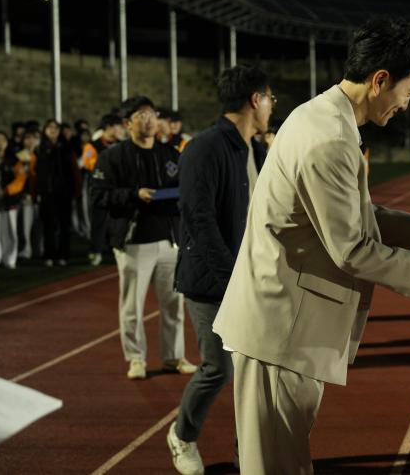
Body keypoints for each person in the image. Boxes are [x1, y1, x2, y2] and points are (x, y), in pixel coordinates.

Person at [212, 18, 410, 474]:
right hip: (281, 328)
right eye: (409, 91)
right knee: (277, 466)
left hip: (283, 323)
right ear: (380, 80)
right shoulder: (331, 139)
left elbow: (343, 213)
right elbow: (351, 248)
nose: (407, 103)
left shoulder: (319, 116)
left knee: (282, 460)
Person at [166, 65, 273, 474]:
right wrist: (233, 280)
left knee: (254, 375)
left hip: (252, 281)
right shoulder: (205, 148)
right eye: (270, 99)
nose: (272, 107)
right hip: (213, 282)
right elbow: (199, 219)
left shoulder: (257, 151)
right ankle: (182, 435)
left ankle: (248, 455)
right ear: (255, 100)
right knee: (218, 368)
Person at [91, 96, 196, 380]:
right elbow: (98, 195)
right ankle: (136, 358)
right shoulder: (112, 157)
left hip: (169, 240)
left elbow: (184, 190)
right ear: (128, 123)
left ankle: (174, 356)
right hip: (134, 241)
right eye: (141, 115)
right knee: (132, 306)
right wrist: (133, 195)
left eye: (152, 114)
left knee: (174, 304)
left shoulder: (170, 153)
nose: (149, 119)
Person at [35, 119, 77, 266]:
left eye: (56, 128)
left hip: (64, 192)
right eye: (50, 127)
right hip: (47, 192)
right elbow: (37, 173)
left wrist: (74, 190)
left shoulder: (66, 148)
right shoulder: (40, 148)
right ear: (45, 130)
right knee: (48, 225)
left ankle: (63, 255)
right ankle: (49, 255)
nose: (53, 130)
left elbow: (73, 171)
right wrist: (38, 192)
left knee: (65, 225)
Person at [82, 114, 122, 266]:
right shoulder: (92, 145)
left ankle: (114, 249)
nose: (121, 130)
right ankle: (96, 251)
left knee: (116, 220)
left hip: (116, 188)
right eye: (118, 126)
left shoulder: (121, 145)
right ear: (109, 127)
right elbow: (89, 164)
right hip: (99, 189)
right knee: (98, 220)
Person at [0, 131, 26, 270]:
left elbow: (20, 179)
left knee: (10, 228)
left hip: (9, 198)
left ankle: (10, 258)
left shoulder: (14, 159)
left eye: (3, 140)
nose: (0, 143)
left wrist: (6, 190)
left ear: (7, 142)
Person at [16, 129, 41, 260]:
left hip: (41, 194)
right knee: (25, 225)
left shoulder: (41, 154)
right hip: (26, 195)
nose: (30, 141)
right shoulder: (21, 155)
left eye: (33, 138)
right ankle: (26, 249)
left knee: (40, 224)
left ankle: (40, 249)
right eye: (27, 138)